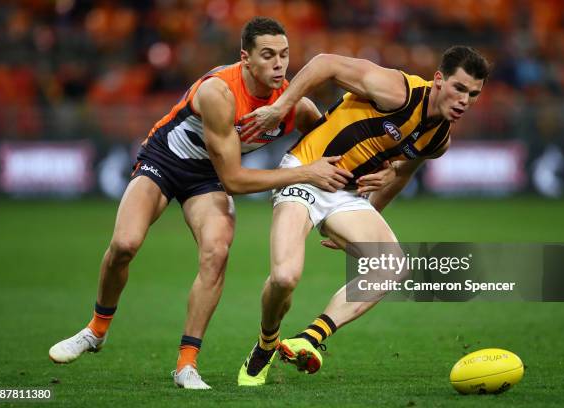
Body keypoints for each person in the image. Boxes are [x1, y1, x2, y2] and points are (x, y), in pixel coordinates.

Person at [48, 17, 354, 390]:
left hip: (207, 177)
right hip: (166, 159)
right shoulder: (219, 93)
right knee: (125, 244)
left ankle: (186, 365)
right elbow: (236, 180)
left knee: (216, 252)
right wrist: (306, 174)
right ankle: (96, 330)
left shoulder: (294, 106)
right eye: (268, 55)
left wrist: (368, 179)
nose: (279, 64)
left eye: (285, 55)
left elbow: (335, 148)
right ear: (246, 59)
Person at [237, 45, 489, 385]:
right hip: (306, 173)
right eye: (459, 88)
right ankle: (266, 343)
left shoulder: (438, 140)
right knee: (284, 278)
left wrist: (367, 214)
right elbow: (325, 62)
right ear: (439, 80)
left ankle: (309, 338)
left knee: (392, 265)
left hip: (346, 196)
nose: (464, 100)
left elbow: (402, 172)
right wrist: (281, 106)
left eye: (473, 94)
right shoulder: (397, 91)